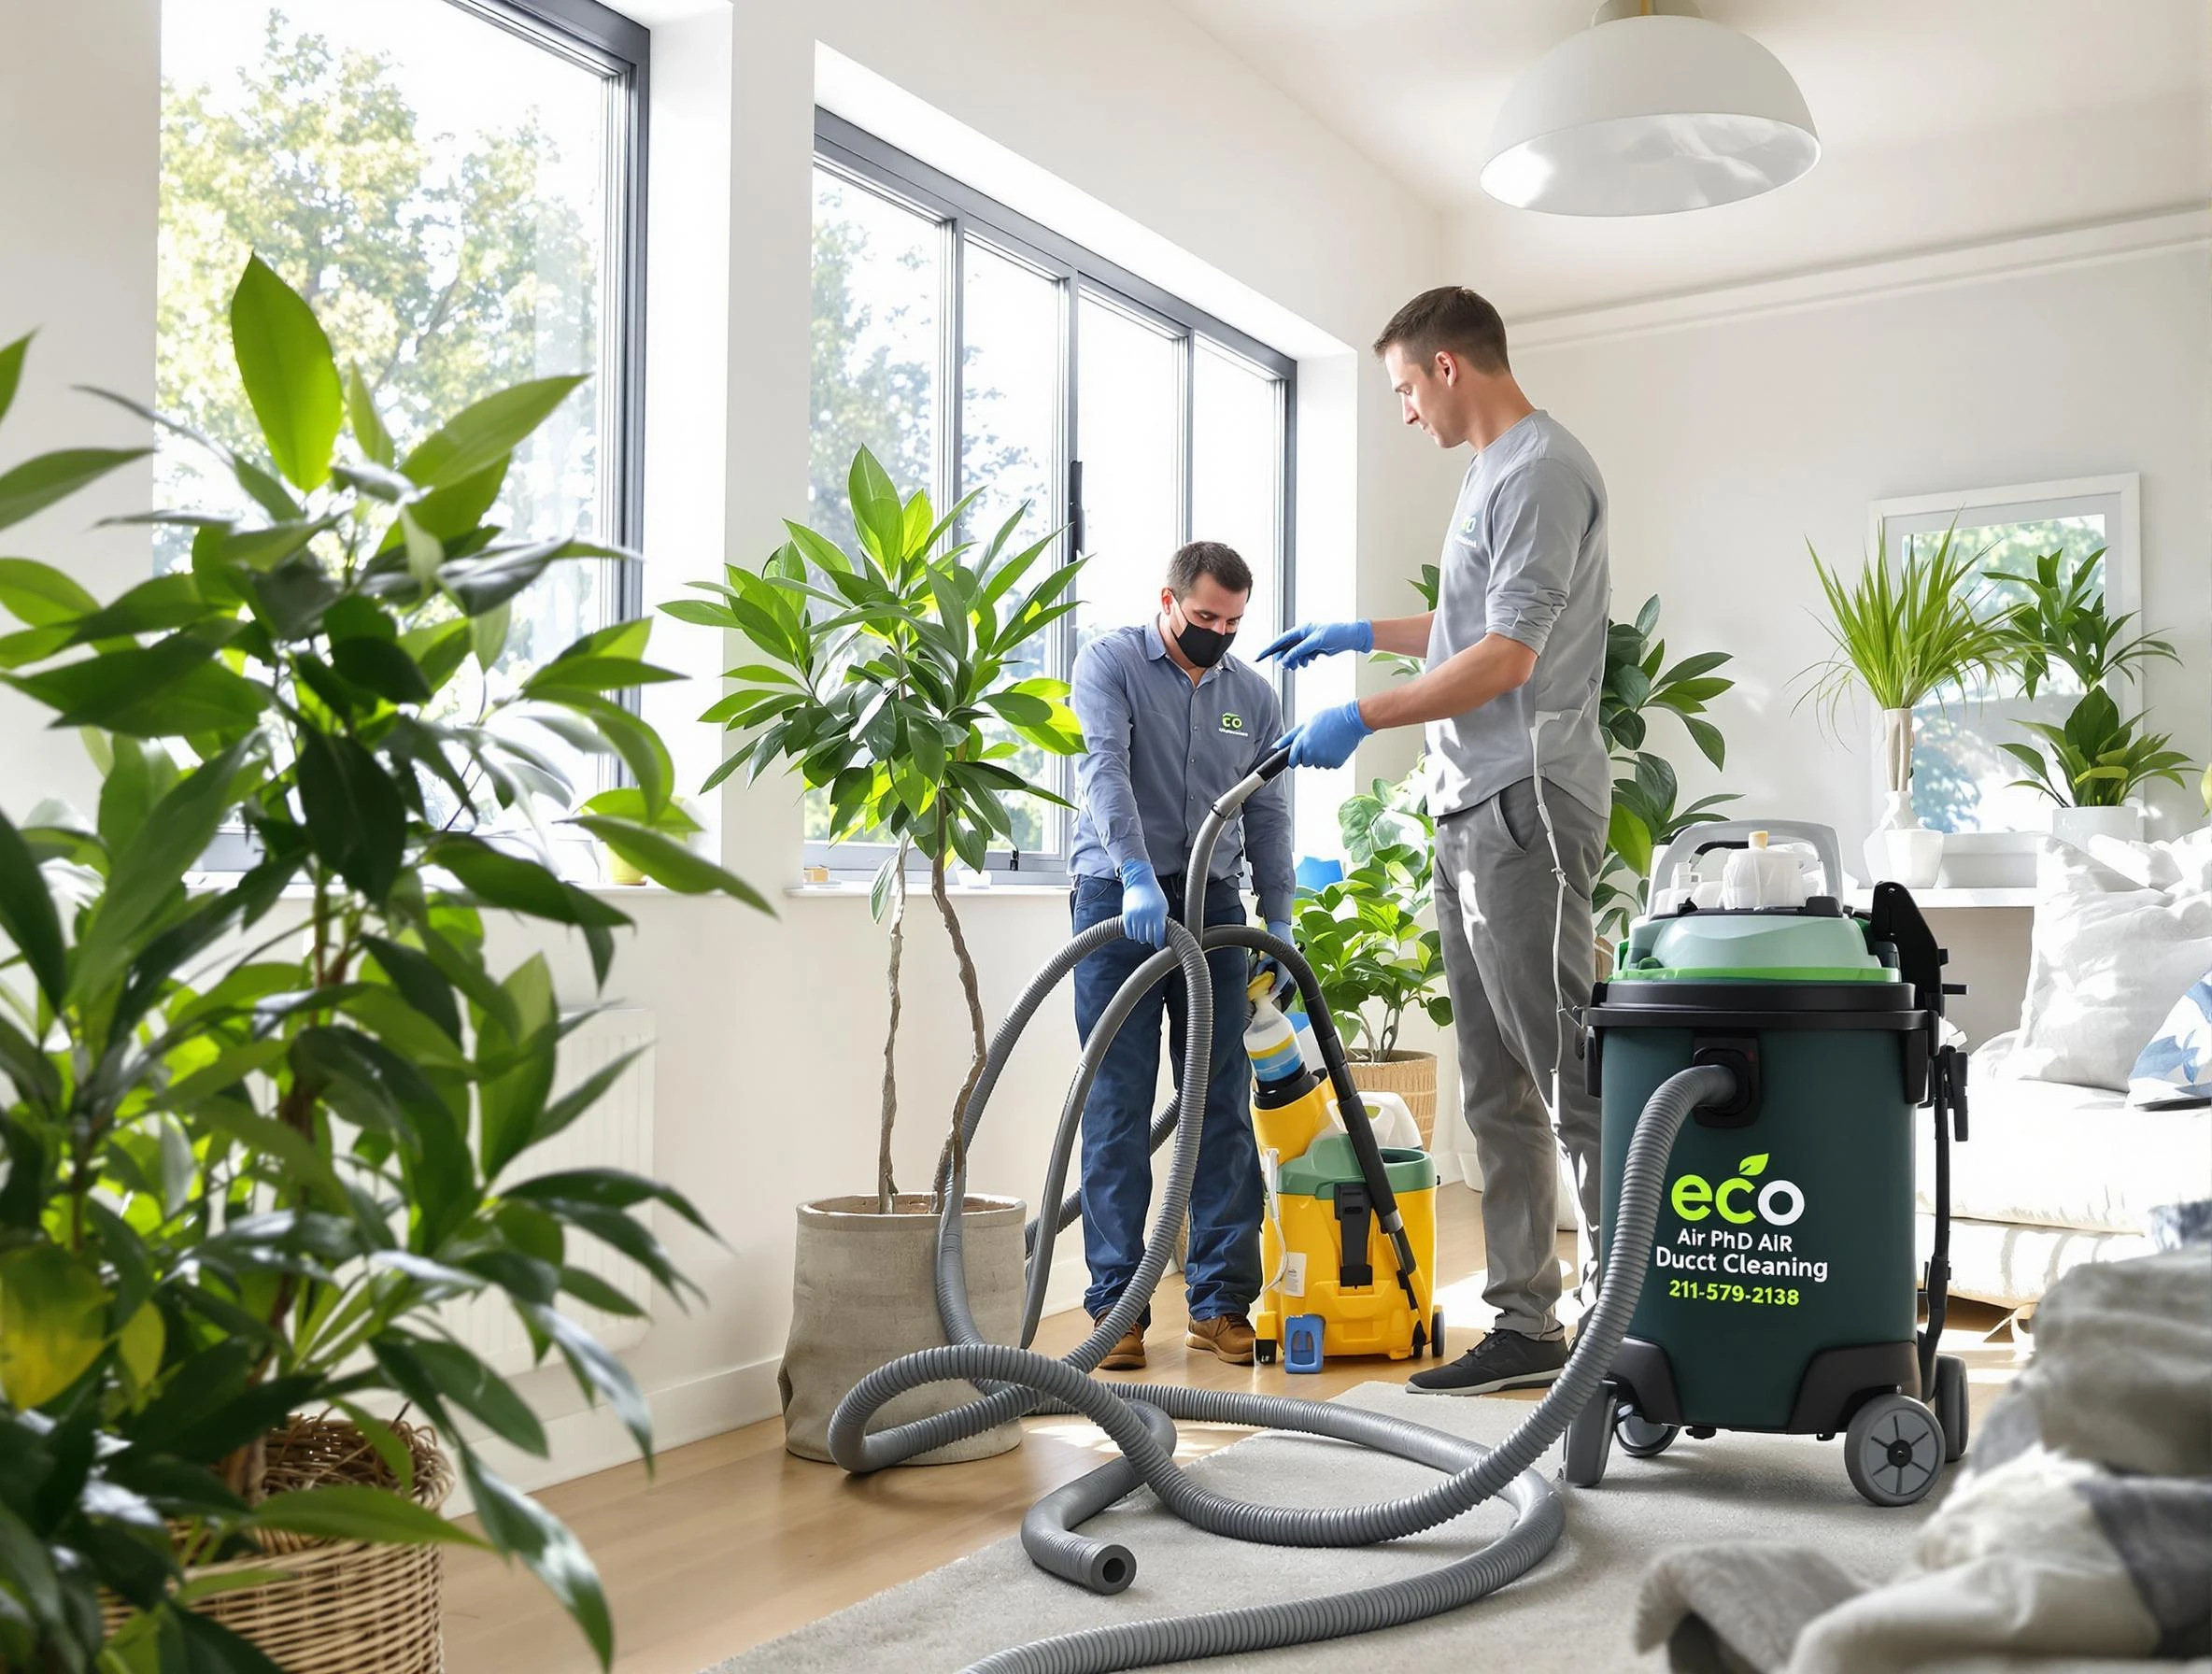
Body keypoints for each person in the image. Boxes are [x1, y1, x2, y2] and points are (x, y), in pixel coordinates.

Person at [1263, 286, 1611, 1397]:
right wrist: (1366, 635)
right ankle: (1525, 1325)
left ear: (1449, 366)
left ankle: (1623, 1325)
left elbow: (1509, 657)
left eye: (1406, 388)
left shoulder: (1545, 469)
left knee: (1568, 1077)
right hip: (1468, 807)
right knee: (1493, 1083)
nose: (1405, 411)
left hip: (1527, 797)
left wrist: (1364, 714)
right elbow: (1473, 620)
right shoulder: (1488, 476)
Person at [1068, 540, 1296, 1369]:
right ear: (1166, 601)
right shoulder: (1110, 665)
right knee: (1119, 1104)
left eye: (1233, 622)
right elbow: (1105, 773)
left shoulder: (1255, 698)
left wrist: (1281, 914)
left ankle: (1219, 1302)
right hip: (1121, 905)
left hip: (1216, 909)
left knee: (1220, 1101)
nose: (1219, 633)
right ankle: (1116, 1310)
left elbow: (1268, 811)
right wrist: (1134, 875)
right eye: (1204, 617)